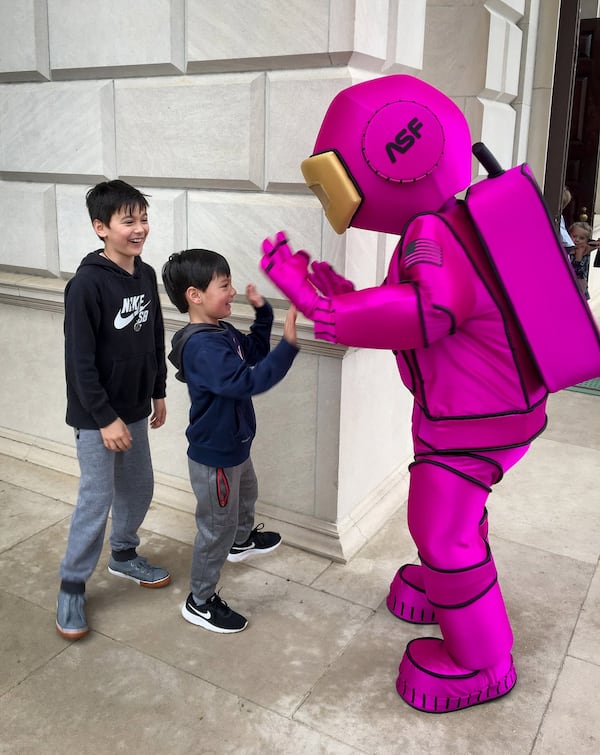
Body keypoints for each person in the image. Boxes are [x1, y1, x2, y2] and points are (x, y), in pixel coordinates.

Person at [259, 74, 600, 713]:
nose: (332, 189)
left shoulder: (434, 233)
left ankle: (481, 659)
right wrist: (336, 291)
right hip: (482, 412)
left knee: (439, 526)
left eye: (337, 172)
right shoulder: (441, 223)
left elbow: (428, 313)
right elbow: (408, 302)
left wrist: (316, 304)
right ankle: (449, 584)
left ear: (395, 153)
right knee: (452, 513)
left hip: (477, 420)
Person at [161, 249, 299, 633]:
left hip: (235, 443)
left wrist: (264, 314)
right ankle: (200, 600)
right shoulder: (202, 347)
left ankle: (240, 541)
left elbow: (252, 353)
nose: (233, 291)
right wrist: (288, 345)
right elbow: (246, 381)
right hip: (215, 457)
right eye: (224, 286)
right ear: (195, 295)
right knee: (214, 527)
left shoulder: (221, 332)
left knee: (247, 494)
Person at [57, 180, 169, 641]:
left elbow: (155, 335)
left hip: (136, 408)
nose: (139, 228)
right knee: (96, 498)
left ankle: (124, 554)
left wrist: (158, 389)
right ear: (101, 228)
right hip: (95, 416)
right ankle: (71, 584)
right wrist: (103, 417)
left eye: (143, 218)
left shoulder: (145, 274)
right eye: (129, 221)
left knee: (140, 485)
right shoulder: (86, 285)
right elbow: (79, 362)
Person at [568, 220, 594, 299]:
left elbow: (579, 272)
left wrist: (579, 256)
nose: (577, 240)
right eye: (574, 236)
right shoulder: (567, 250)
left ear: (587, 240)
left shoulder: (584, 252)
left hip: (578, 286)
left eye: (581, 238)